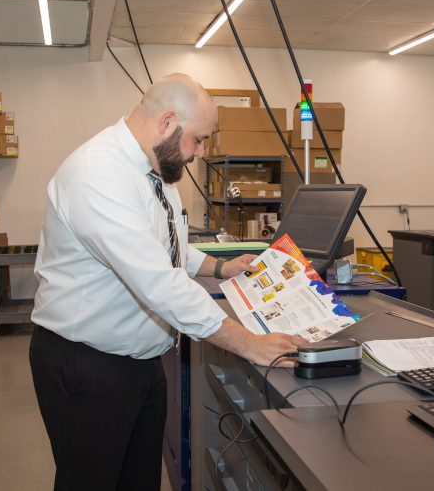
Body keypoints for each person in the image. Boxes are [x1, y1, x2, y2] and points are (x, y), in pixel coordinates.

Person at [29, 73, 306, 490]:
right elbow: (157, 281)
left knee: (139, 481)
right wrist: (250, 344)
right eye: (197, 139)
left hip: (140, 361)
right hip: (86, 364)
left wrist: (218, 267)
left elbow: (164, 246)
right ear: (167, 122)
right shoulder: (97, 174)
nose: (200, 152)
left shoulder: (156, 170)